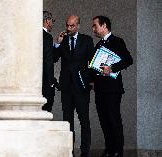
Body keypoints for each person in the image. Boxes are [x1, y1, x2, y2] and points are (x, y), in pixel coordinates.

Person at [91, 16, 133, 157]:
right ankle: (109, 149)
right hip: (100, 89)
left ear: (104, 26)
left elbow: (128, 60)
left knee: (114, 120)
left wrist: (112, 68)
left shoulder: (117, 41)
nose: (93, 29)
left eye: (95, 25)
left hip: (112, 90)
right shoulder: (98, 45)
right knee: (104, 121)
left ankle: (117, 151)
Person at [54, 15, 94, 157]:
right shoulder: (63, 39)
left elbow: (92, 62)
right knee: (67, 120)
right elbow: (54, 58)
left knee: (84, 120)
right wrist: (57, 43)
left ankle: (85, 151)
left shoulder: (87, 40)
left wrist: (90, 81)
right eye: (67, 25)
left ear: (78, 26)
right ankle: (68, 150)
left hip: (81, 86)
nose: (68, 28)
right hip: (66, 87)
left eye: (72, 26)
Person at [42, 11, 57, 112]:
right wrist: (51, 81)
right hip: (44, 82)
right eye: (52, 21)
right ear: (47, 21)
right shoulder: (47, 37)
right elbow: (49, 60)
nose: (52, 23)